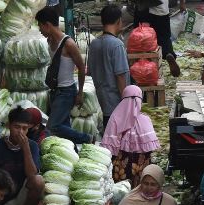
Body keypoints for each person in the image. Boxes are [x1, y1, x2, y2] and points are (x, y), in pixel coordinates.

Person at [35, 8, 92, 145]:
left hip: (66, 92)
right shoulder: (49, 41)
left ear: (47, 25)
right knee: (64, 128)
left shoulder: (69, 44)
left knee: (53, 126)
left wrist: (80, 93)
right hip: (55, 91)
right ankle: (74, 151)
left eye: (40, 26)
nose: (40, 30)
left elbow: (81, 68)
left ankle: (87, 138)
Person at [102, 85, 161, 185]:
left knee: (122, 190)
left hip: (121, 169)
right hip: (141, 169)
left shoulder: (115, 117)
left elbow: (109, 146)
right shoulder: (145, 120)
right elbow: (150, 148)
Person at [87, 5, 130, 125]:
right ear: (118, 21)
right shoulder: (117, 45)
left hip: (101, 101)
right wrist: (126, 102)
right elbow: (120, 76)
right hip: (116, 103)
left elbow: (89, 72)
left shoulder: (94, 44)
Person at [133, 0, 184, 78]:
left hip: (144, 10)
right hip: (162, 10)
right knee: (164, 37)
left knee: (144, 39)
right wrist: (182, 3)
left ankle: (147, 69)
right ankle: (168, 52)